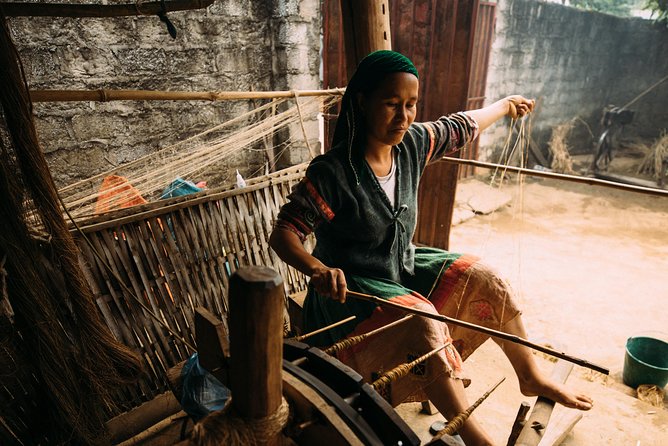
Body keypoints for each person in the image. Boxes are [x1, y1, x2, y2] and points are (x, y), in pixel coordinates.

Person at [269, 50, 592, 445]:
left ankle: (531, 375)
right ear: (361, 102)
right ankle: (475, 437)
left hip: (400, 268)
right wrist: (316, 269)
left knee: (483, 275)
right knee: (420, 318)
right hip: (348, 290)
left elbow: (462, 125)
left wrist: (505, 106)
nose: (403, 117)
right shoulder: (334, 172)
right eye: (391, 104)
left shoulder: (413, 145)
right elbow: (285, 232)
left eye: (411, 105)